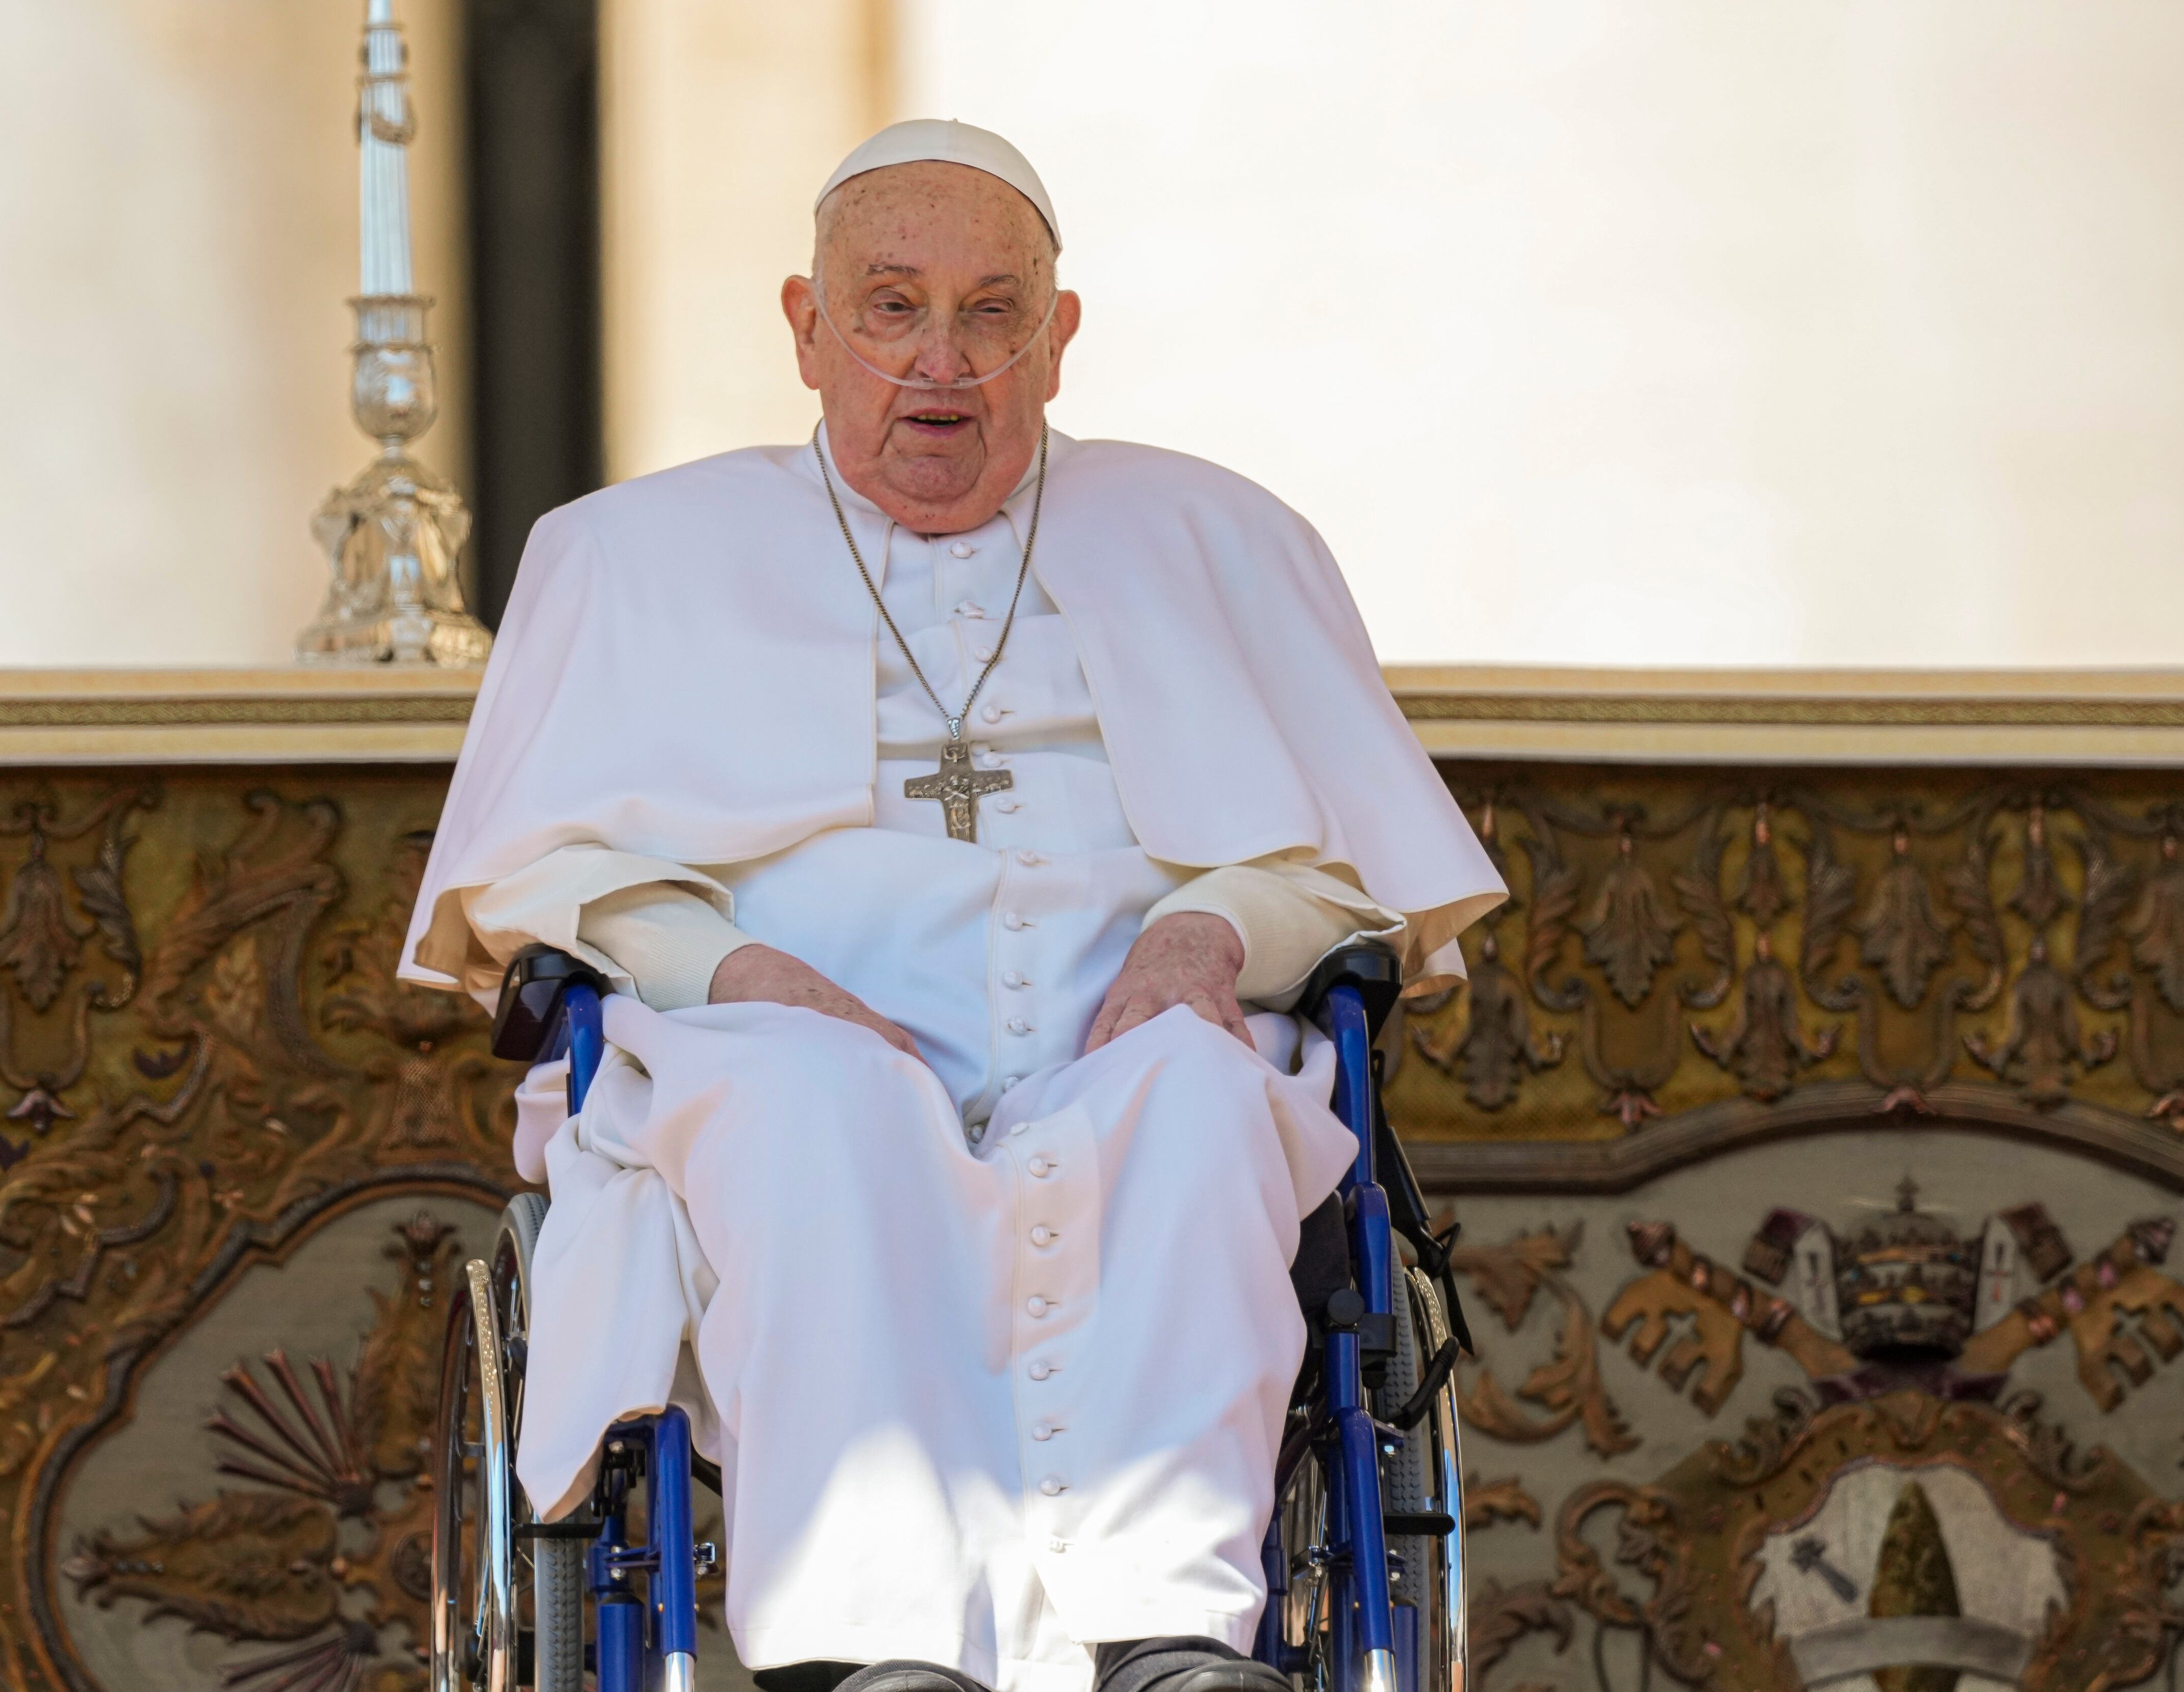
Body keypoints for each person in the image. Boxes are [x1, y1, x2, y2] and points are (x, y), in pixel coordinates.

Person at [402, 120, 1502, 1692]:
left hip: (1128, 1045)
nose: (944, 360)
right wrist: (739, 971)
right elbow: (540, 885)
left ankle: (1173, 1640)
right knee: (816, 1111)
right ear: (805, 327)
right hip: (775, 1050)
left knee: (1201, 1093)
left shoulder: (1221, 539)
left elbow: (1352, 873)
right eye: (891, 305)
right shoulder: (628, 556)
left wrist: (1204, 939)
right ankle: (868, 1653)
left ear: (1058, 339)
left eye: (994, 313)